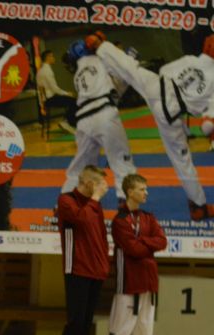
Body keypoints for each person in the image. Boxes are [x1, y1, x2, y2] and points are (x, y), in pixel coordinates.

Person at [86, 31, 214, 220]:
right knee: (182, 160)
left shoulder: (190, 60)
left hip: (157, 87)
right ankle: (198, 206)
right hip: (170, 112)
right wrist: (206, 119)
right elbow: (207, 124)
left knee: (132, 69)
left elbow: (164, 71)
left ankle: (101, 46)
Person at [101, 174, 166, 335]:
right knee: (120, 329)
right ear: (130, 192)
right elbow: (133, 249)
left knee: (144, 331)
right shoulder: (120, 221)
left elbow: (162, 241)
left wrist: (143, 240)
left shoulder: (149, 217)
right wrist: (148, 243)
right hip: (129, 282)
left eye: (146, 189)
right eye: (142, 189)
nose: (146, 193)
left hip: (149, 282)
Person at [52, 165, 109, 335]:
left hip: (96, 270)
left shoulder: (96, 206)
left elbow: (100, 236)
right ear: (89, 183)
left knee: (86, 322)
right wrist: (94, 198)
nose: (105, 189)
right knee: (75, 320)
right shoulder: (67, 201)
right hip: (76, 269)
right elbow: (81, 219)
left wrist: (103, 265)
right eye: (101, 184)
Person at [59, 41, 136, 202]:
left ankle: (64, 205)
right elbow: (122, 78)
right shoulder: (101, 59)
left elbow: (113, 90)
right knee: (121, 161)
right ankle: (125, 205)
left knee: (80, 169)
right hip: (104, 115)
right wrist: (130, 58)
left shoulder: (78, 75)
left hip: (83, 121)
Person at [36, 49, 77, 135]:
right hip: (50, 99)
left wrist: (41, 103)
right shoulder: (47, 71)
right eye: (52, 56)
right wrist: (67, 93)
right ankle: (67, 122)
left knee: (70, 100)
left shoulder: (40, 71)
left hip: (45, 99)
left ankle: (67, 121)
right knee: (73, 101)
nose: (54, 58)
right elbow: (55, 89)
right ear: (48, 57)